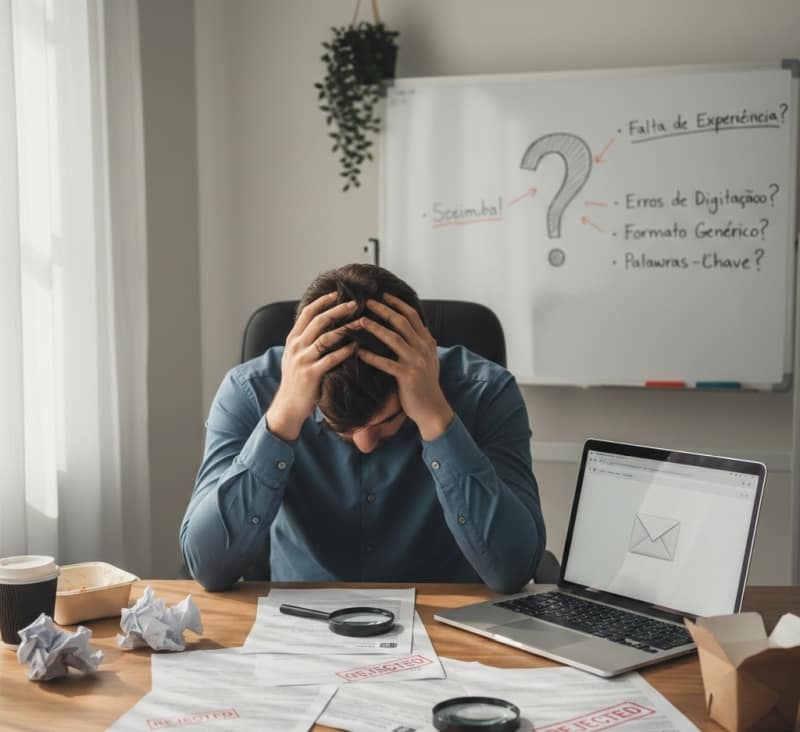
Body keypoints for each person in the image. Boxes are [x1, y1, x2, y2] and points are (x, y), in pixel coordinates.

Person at [180, 264, 545, 593]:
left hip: (446, 620)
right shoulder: (250, 390)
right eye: (339, 427)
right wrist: (283, 418)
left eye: (385, 422)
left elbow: (512, 570)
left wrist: (436, 418)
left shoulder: (487, 392)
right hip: (299, 621)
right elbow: (208, 567)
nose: (365, 443)